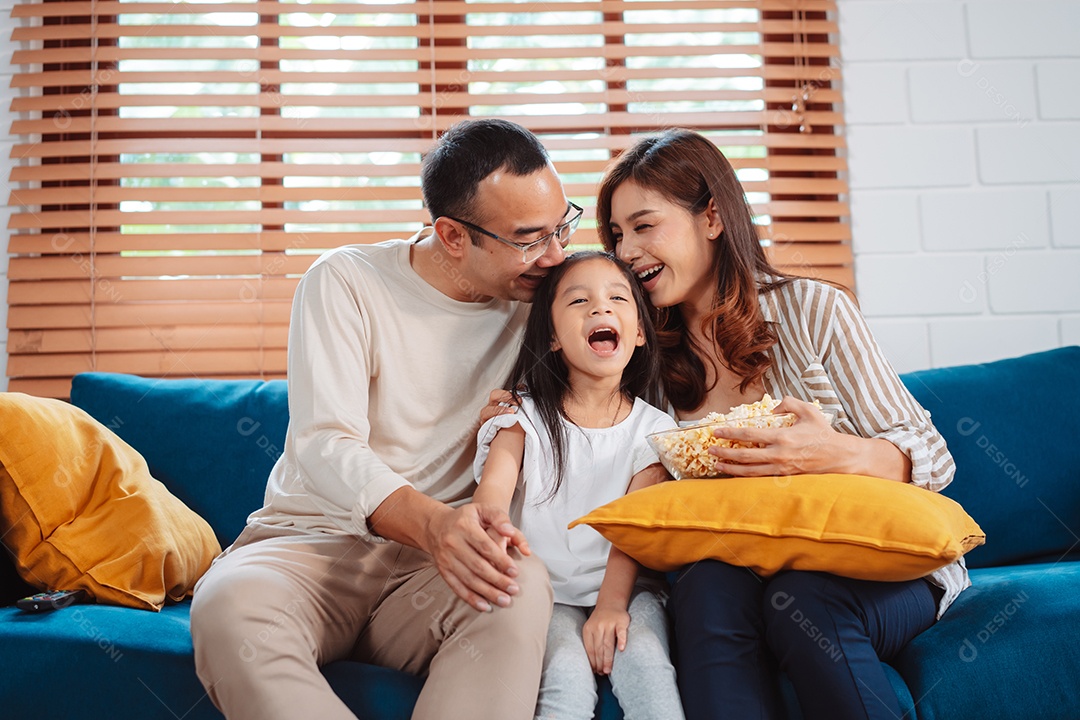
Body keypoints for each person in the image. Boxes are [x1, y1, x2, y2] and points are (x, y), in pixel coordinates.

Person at [190, 118, 583, 720]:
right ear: (452, 235)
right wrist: (434, 525)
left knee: (519, 587)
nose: (555, 255)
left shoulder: (551, 300)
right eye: (530, 239)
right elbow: (325, 443)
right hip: (313, 546)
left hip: (433, 575)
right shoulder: (345, 281)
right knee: (227, 607)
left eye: (562, 227)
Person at [594, 128, 969, 720]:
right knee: (705, 591)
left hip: (870, 564)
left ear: (712, 218)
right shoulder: (642, 360)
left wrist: (831, 453)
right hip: (734, 566)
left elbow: (933, 456)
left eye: (644, 226)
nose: (626, 251)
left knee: (805, 601)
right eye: (616, 235)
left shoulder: (814, 310)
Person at [473, 250, 685, 720]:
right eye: (578, 301)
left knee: (648, 665)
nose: (600, 309)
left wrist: (611, 608)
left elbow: (633, 529)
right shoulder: (519, 418)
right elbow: (492, 501)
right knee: (564, 678)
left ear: (640, 334)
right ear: (551, 337)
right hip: (541, 594)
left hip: (628, 590)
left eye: (617, 299)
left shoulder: (656, 429)